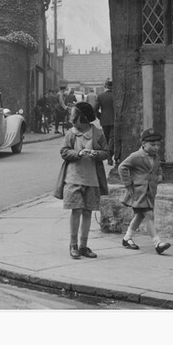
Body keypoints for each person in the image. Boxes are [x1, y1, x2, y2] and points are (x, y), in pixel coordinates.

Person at [58, 101, 110, 260]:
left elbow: (106, 152)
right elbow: (64, 152)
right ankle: (73, 244)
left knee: (87, 211)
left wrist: (96, 153)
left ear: (83, 118)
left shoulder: (98, 133)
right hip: (73, 179)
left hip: (92, 179)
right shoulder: (71, 134)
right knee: (76, 210)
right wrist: (79, 154)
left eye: (74, 116)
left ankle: (83, 246)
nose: (72, 118)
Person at [117, 128, 170, 254]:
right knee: (149, 215)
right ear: (143, 144)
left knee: (140, 215)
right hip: (139, 192)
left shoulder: (156, 156)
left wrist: (160, 175)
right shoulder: (136, 156)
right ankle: (157, 243)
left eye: (158, 144)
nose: (156, 147)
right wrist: (128, 183)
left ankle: (127, 238)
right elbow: (122, 167)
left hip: (150, 192)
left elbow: (158, 167)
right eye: (152, 145)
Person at [96, 79, 116, 165]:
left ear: (105, 86)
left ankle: (109, 156)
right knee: (112, 138)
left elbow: (94, 109)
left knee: (107, 138)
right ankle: (110, 156)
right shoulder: (116, 95)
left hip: (104, 120)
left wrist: (100, 116)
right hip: (115, 120)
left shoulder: (100, 96)